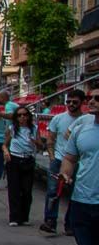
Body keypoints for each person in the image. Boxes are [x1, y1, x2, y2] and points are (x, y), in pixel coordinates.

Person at [59, 88, 99, 245]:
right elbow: (69, 158)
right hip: (83, 200)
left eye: (97, 98)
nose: (91, 101)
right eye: (90, 98)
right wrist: (66, 173)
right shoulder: (81, 129)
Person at [41, 89, 84, 235]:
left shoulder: (85, 120)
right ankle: (50, 221)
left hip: (77, 163)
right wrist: (52, 157)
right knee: (53, 192)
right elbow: (50, 139)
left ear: (81, 103)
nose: (71, 104)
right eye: (68, 102)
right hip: (58, 160)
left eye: (75, 102)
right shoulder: (58, 119)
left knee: (74, 194)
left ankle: (70, 224)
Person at [4, 106, 41, 226]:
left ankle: (24, 216)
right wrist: (6, 152)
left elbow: (41, 145)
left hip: (28, 158)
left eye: (25, 115)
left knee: (27, 190)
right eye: (19, 115)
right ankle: (14, 217)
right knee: (14, 189)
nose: (22, 117)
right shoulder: (12, 128)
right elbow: (4, 144)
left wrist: (35, 142)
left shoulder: (34, 129)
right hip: (15, 158)